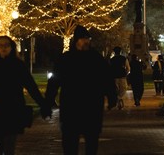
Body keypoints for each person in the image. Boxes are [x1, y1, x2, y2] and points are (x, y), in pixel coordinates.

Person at [45, 25, 117, 155]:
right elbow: (54, 82)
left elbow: (107, 78)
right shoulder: (66, 59)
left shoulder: (96, 58)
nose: (86, 42)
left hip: (92, 106)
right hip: (71, 106)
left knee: (91, 143)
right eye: (83, 39)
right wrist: (48, 102)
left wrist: (112, 96)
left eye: (88, 39)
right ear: (76, 40)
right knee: (70, 144)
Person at [0, 35, 51, 155]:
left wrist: (43, 104)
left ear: (11, 47)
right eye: (0, 45)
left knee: (9, 144)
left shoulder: (18, 66)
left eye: (6, 45)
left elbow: (31, 86)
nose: (3, 48)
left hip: (13, 108)